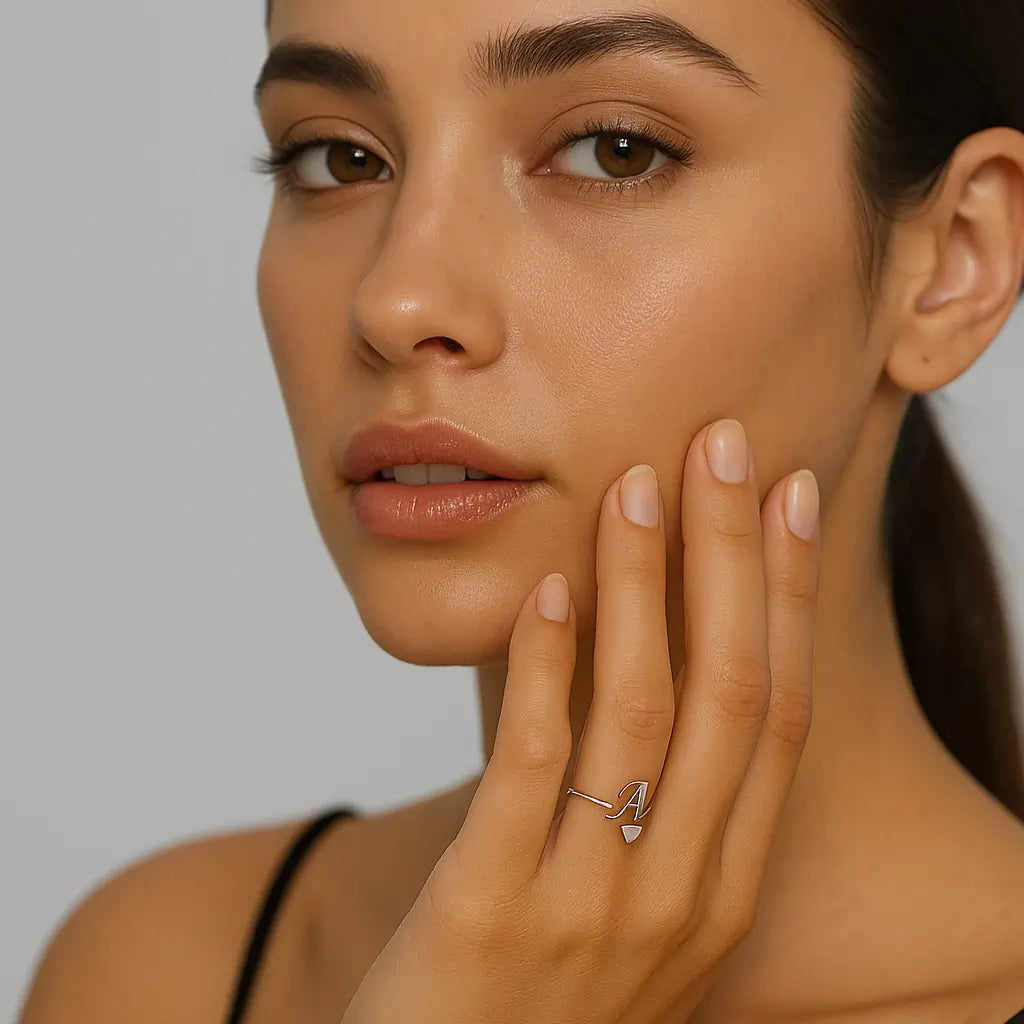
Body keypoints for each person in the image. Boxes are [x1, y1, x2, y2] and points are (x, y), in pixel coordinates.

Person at [16, 1, 1024, 1022]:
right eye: (338, 159)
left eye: (613, 150)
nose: (395, 302)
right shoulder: (166, 971)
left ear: (955, 261)